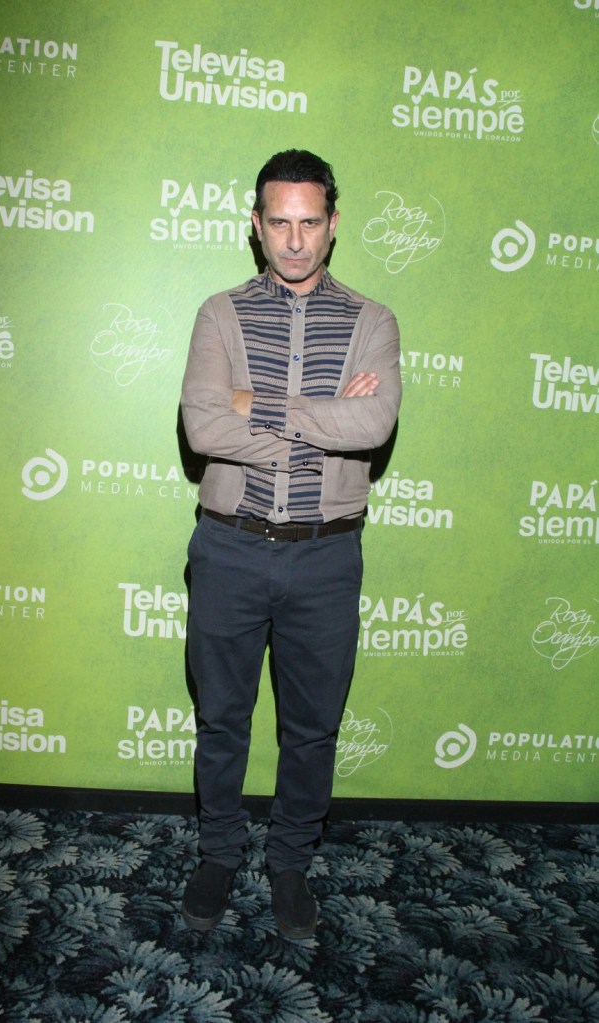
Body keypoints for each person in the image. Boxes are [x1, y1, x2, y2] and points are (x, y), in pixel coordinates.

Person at [180, 149, 401, 939]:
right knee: (222, 719)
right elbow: (204, 427)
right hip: (230, 549)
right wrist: (320, 418)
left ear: (333, 225)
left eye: (310, 222)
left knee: (312, 728)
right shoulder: (219, 315)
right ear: (256, 224)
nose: (296, 240)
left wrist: (254, 403)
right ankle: (218, 853)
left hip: (325, 557)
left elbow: (372, 424)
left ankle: (290, 865)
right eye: (280, 222)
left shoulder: (373, 321)